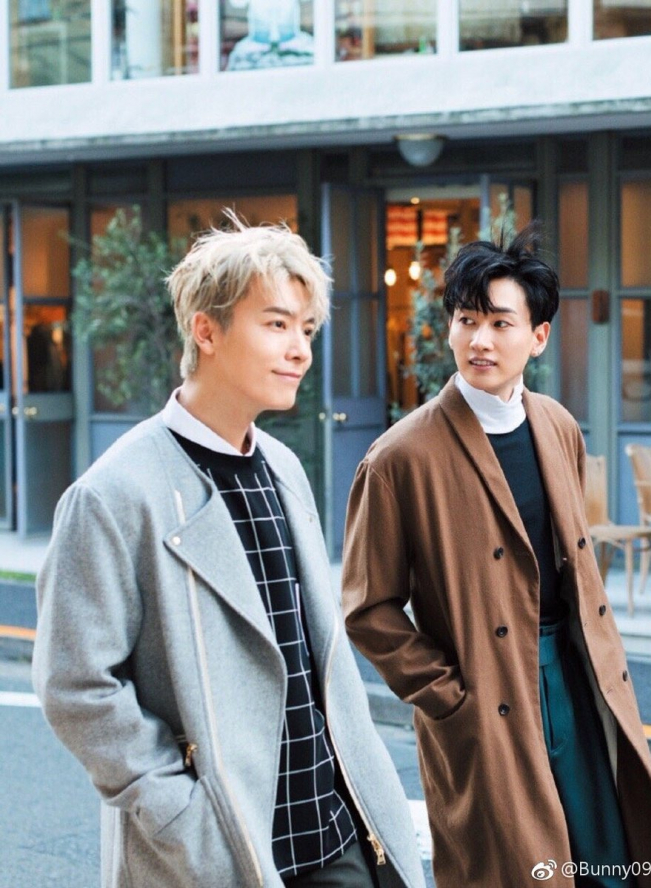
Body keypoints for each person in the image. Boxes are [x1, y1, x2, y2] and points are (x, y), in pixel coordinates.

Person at [33, 213, 425, 888]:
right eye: (276, 324)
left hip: (336, 838)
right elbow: (76, 685)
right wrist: (180, 816)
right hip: (219, 855)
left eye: (307, 330)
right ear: (206, 331)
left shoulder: (284, 468)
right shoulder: (114, 493)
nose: (300, 350)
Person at [342, 225, 651, 888]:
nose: (480, 340)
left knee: (606, 858)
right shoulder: (400, 457)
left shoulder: (557, 426)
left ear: (538, 336)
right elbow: (367, 607)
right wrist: (447, 695)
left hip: (574, 677)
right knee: (516, 868)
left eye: (499, 323)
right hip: (484, 695)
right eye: (466, 321)